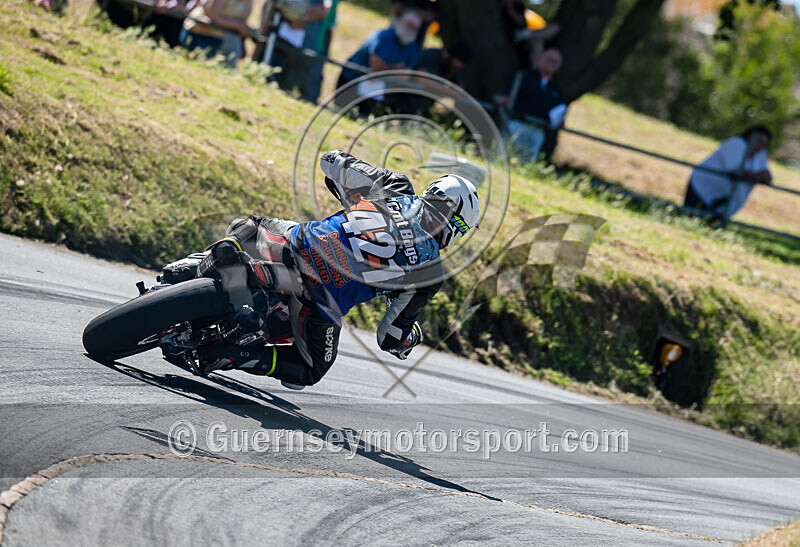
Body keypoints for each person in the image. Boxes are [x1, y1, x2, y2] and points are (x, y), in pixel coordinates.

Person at [192, 150, 480, 389]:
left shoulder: (396, 186)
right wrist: (409, 339)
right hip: (320, 299)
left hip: (296, 246)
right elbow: (389, 338)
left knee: (252, 225)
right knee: (311, 369)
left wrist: (350, 196)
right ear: (456, 224)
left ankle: (224, 251)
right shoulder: (430, 273)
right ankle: (231, 355)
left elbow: (331, 160)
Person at [684, 125, 773, 220]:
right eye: (759, 141)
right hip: (702, 188)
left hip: (725, 197)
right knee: (690, 217)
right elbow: (737, 171)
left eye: (764, 144)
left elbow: (767, 176)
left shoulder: (761, 154)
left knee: (712, 224)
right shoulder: (735, 144)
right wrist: (756, 176)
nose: (760, 146)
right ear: (749, 136)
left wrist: (757, 176)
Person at [501, 47, 567, 162]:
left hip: (537, 131)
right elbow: (506, 98)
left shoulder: (557, 89)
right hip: (517, 124)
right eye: (549, 59)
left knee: (527, 165)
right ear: (541, 59)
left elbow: (559, 114)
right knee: (504, 159)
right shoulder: (525, 76)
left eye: (555, 62)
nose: (551, 63)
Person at [337, 10, 422, 90]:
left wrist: (386, 67)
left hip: (375, 87)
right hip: (351, 78)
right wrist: (395, 68)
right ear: (401, 22)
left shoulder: (413, 47)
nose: (410, 30)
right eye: (408, 25)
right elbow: (376, 66)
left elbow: (405, 76)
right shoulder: (384, 37)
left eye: (414, 28)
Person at [180, 0, 253, 68]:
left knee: (205, 67)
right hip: (198, 33)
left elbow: (242, 22)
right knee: (192, 65)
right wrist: (237, 25)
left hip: (218, 36)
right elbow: (212, 15)